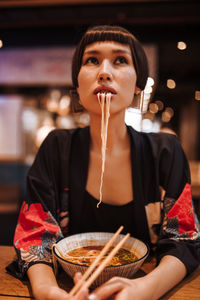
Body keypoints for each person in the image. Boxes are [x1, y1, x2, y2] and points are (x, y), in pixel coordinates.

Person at [11, 25, 200, 300]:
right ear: (77, 83)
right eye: (92, 60)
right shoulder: (56, 147)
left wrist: (146, 288)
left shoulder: (165, 152)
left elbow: (183, 238)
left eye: (120, 60)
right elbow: (35, 234)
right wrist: (47, 291)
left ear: (138, 83)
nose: (104, 72)